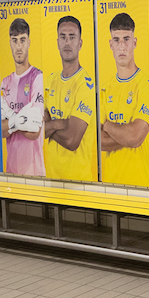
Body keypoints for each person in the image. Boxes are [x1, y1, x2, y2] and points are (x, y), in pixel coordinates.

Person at [98, 12, 149, 187]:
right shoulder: (105, 89)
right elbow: (99, 142)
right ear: (110, 44)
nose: (121, 46)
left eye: (126, 39)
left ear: (134, 43)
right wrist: (126, 135)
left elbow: (136, 137)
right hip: (110, 185)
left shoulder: (146, 85)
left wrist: (107, 126)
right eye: (116, 40)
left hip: (140, 185)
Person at [43, 14, 97, 181]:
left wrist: (48, 127)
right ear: (57, 42)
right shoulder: (50, 81)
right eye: (63, 37)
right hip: (51, 178)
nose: (67, 42)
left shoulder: (85, 85)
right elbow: (35, 131)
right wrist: (58, 124)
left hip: (78, 181)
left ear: (80, 43)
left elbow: (72, 140)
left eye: (72, 37)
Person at [0, 17, 44, 177]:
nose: (19, 46)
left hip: (35, 172)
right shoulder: (5, 82)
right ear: (10, 43)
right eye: (15, 40)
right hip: (11, 172)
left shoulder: (37, 77)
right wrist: (19, 120)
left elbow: (35, 130)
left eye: (22, 40)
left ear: (29, 43)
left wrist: (10, 121)